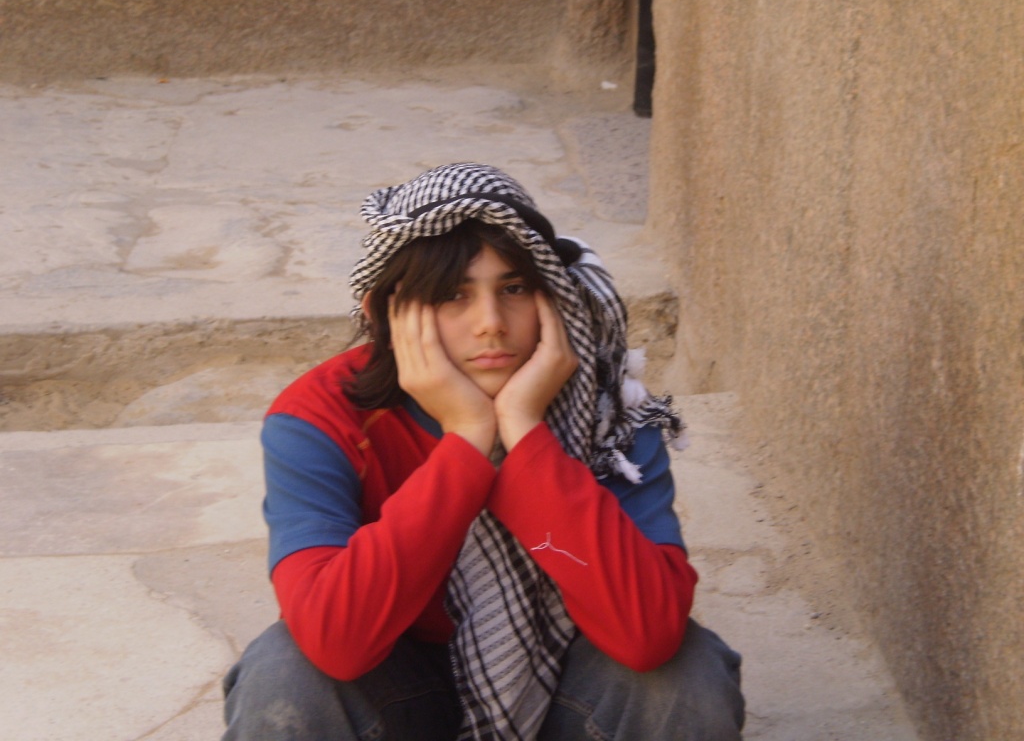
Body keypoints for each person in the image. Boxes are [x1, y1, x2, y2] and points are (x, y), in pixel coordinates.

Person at [221, 162, 745, 740]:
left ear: (555, 299)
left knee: (685, 676)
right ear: (385, 315)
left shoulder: (609, 418)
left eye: (514, 289)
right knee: (285, 676)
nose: (491, 324)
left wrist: (525, 436)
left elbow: (646, 631)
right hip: (401, 688)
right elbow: (336, 640)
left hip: (568, 684)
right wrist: (467, 441)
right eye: (452, 296)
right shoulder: (321, 418)